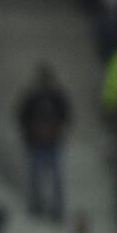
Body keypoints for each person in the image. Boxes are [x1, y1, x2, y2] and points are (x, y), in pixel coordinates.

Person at [17, 63, 73, 222]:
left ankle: (57, 208)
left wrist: (58, 131)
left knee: (56, 176)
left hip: (52, 142)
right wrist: (29, 134)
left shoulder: (58, 98)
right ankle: (37, 205)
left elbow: (66, 117)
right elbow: (22, 117)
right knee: (35, 175)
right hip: (36, 143)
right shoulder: (31, 98)